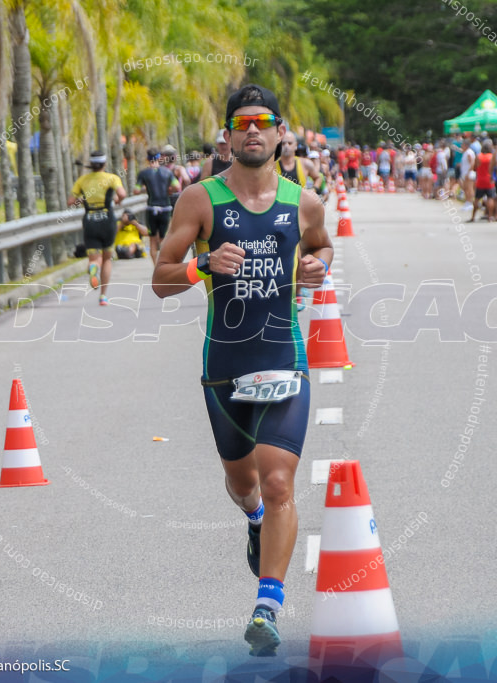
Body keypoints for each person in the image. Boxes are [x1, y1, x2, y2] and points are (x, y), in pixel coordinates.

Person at [151, 84, 331, 657]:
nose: (253, 130)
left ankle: (268, 605)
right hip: (224, 368)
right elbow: (159, 278)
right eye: (241, 122)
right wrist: (202, 264)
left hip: (283, 357)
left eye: (264, 122)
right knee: (244, 484)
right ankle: (253, 518)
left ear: (282, 134)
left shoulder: (303, 203)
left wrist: (315, 267)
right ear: (227, 136)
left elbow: (325, 249)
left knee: (279, 480)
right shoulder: (199, 201)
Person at [68, 150, 127, 305]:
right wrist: (116, 200)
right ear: (104, 164)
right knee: (107, 258)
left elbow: (70, 202)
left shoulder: (82, 180)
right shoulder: (112, 178)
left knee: (95, 258)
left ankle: (93, 267)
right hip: (107, 220)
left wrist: (83, 200)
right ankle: (103, 296)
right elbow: (123, 194)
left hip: (90, 221)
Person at [135, 148, 181, 265]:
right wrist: (167, 190)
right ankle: (165, 264)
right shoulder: (167, 172)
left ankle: (156, 266)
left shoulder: (143, 173)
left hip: (151, 208)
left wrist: (147, 188)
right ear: (160, 158)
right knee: (163, 238)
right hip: (165, 207)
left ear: (147, 159)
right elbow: (177, 187)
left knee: (152, 239)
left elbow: (136, 190)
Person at [470, 140, 495, 222]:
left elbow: (474, 168)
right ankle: (490, 217)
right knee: (490, 198)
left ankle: (473, 216)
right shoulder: (492, 156)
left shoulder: (478, 156)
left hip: (480, 180)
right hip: (489, 180)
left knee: (477, 198)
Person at [459, 139, 476, 209]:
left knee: (469, 188)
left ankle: (470, 202)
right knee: (465, 188)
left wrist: (468, 172)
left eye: (462, 145)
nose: (461, 146)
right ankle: (467, 201)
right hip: (465, 173)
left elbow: (472, 163)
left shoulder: (469, 152)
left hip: (468, 174)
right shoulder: (465, 152)